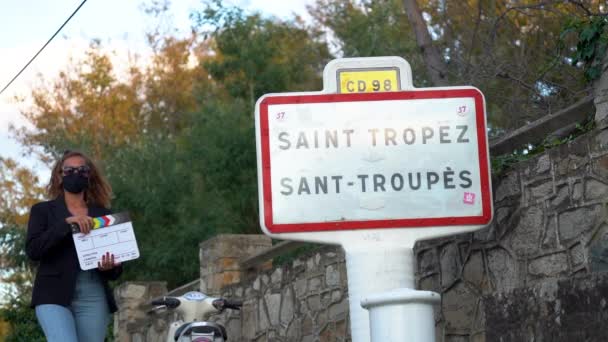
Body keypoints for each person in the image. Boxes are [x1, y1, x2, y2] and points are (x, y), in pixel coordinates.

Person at [25, 150, 122, 342]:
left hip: (93, 294)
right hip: (52, 293)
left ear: (89, 175)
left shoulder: (104, 214)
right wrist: (66, 224)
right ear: (59, 176)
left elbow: (117, 270)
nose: (75, 174)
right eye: (69, 170)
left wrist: (110, 266)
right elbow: (33, 250)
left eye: (82, 170)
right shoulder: (42, 211)